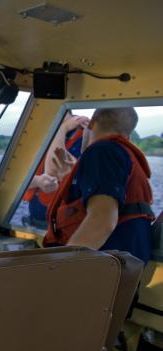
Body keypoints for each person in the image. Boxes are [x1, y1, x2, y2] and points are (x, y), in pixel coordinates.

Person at [44, 107, 155, 264]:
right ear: (128, 135)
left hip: (100, 270)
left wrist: (61, 267)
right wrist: (71, 178)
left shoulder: (101, 151)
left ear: (92, 122)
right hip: (121, 269)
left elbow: (102, 221)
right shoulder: (121, 153)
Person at [22, 112, 89, 228]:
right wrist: (37, 181)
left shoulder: (84, 135)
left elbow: (54, 170)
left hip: (63, 223)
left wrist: (62, 129)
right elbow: (16, 181)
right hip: (37, 219)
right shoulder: (40, 136)